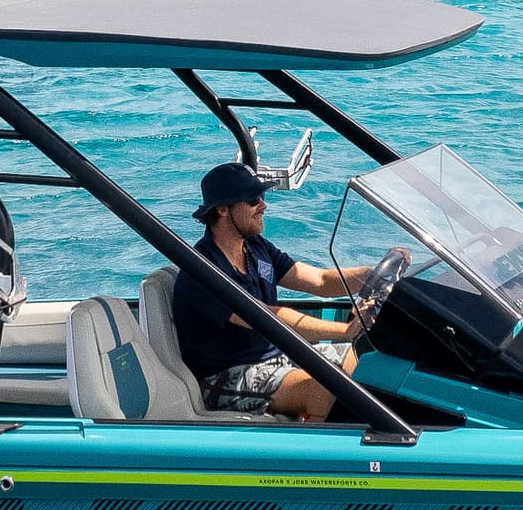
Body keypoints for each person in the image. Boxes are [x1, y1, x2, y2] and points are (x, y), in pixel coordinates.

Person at [169, 161, 400, 421]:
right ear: (222, 210)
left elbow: (321, 281)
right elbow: (267, 317)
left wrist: (375, 273)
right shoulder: (203, 270)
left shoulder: (256, 247)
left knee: (364, 359)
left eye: (263, 196)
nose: (263, 205)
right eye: (254, 199)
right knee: (324, 387)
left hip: (278, 358)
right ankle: (316, 456)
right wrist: (345, 330)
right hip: (225, 377)